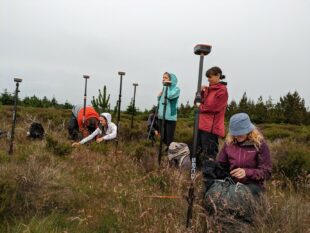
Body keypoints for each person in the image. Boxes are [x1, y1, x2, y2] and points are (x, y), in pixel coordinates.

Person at [217, 113, 272, 196]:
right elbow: (221, 165)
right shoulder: (228, 144)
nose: (237, 136)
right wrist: (213, 168)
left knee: (239, 197)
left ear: (249, 130)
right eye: (235, 134)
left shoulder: (260, 144)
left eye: (240, 133)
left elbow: (266, 172)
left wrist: (247, 172)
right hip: (232, 183)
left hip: (254, 185)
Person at [197, 66, 228, 167]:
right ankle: (197, 173)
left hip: (211, 128)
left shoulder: (222, 91)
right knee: (197, 150)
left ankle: (209, 176)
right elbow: (197, 102)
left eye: (210, 77)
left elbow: (213, 108)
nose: (208, 79)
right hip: (201, 124)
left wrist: (199, 107)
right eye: (207, 77)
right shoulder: (207, 90)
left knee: (209, 153)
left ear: (218, 76)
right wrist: (200, 92)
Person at [157, 72, 180, 149]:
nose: (163, 79)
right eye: (163, 78)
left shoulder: (176, 89)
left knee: (169, 140)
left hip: (170, 117)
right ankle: (163, 154)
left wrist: (166, 86)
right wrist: (159, 97)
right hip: (161, 116)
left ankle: (170, 155)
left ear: (171, 80)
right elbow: (160, 102)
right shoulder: (163, 89)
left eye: (165, 78)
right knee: (162, 137)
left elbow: (170, 96)